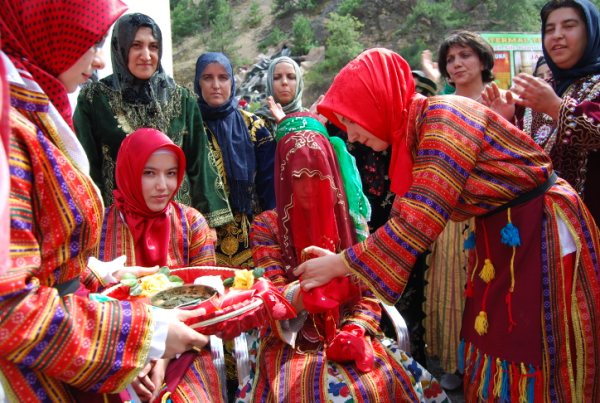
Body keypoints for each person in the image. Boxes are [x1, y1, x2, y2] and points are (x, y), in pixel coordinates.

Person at [295, 48, 600, 402]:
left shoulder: (444, 119)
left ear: (375, 101)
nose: (350, 136)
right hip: (506, 231)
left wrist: (339, 264)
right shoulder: (421, 128)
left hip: (540, 230)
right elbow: (409, 216)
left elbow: (419, 219)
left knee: (538, 339)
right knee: (501, 334)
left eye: (350, 120)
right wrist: (344, 262)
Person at [0, 1, 209, 400]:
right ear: (51, 35)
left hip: (71, 330)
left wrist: (101, 274)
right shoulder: (11, 126)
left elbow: (49, 255)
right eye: (90, 43)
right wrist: (149, 334)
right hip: (43, 353)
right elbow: (10, 306)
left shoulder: (35, 113)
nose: (98, 61)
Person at [243, 112, 448, 402]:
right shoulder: (268, 225)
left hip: (351, 331)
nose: (308, 185)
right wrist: (321, 291)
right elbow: (273, 295)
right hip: (291, 340)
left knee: (375, 386)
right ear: (282, 175)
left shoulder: (353, 223)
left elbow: (370, 292)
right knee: (301, 390)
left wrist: (355, 329)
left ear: (331, 169)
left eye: (317, 172)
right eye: (297, 175)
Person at [95, 127, 223, 402]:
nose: (163, 186)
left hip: (187, 346)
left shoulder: (192, 223)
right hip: (119, 346)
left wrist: (163, 354)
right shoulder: (98, 227)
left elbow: (209, 301)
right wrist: (142, 348)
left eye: (171, 173)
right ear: (128, 172)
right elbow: (91, 300)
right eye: (149, 173)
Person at [74, 13, 232, 228]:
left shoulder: (182, 98)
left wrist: (209, 223)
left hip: (176, 224)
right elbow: (86, 165)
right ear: (121, 48)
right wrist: (96, 222)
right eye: (136, 45)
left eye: (153, 47)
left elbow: (200, 162)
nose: (146, 55)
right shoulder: (95, 99)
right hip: (120, 224)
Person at [483, 0, 600, 225]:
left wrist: (556, 107)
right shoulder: (537, 90)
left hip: (590, 228)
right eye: (549, 29)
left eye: (569, 26)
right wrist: (504, 122)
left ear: (591, 33)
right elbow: (522, 162)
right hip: (539, 231)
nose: (557, 35)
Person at [426, 30, 498, 390]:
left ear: (483, 61)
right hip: (453, 214)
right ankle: (456, 362)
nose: (457, 64)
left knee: (494, 289)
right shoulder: (442, 107)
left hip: (498, 213)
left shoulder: (505, 103)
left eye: (465, 55)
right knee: (454, 286)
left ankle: (492, 366)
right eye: (450, 59)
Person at [193, 52, 276, 268]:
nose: (216, 85)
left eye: (223, 77)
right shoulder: (189, 128)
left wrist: (270, 229)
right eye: (207, 78)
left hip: (252, 235)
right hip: (204, 237)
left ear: (232, 81)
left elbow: (270, 184)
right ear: (197, 83)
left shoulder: (254, 126)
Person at [255, 56, 306, 134]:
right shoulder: (255, 122)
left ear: (299, 83)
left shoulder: (310, 119)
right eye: (276, 77)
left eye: (291, 77)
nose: (284, 82)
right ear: (269, 83)